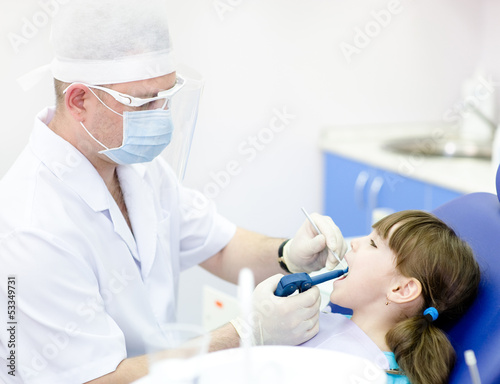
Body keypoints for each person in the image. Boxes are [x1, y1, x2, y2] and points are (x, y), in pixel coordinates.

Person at [0, 1, 348, 383]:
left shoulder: (134, 165)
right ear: (79, 100)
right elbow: (94, 379)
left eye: (166, 95)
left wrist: (288, 255)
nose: (160, 114)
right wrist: (246, 334)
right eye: (144, 101)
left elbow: (218, 246)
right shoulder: (31, 228)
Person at [300, 210, 481, 384]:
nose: (354, 242)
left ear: (401, 289)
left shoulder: (377, 375)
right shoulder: (317, 322)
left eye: (373, 244)